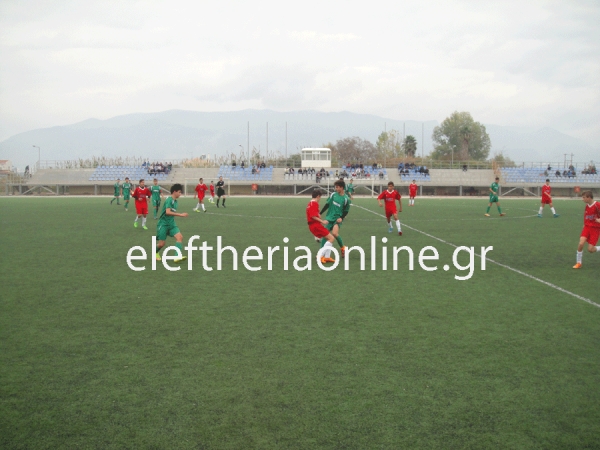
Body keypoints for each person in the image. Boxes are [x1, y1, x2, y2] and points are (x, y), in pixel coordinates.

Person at [155, 183, 189, 263]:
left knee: (180, 237)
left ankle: (176, 257)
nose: (180, 194)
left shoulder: (176, 202)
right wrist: (180, 214)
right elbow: (167, 212)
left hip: (172, 224)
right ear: (174, 191)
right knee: (161, 244)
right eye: (180, 192)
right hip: (163, 224)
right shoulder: (169, 200)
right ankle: (155, 252)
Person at [319, 179, 350, 259]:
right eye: (335, 187)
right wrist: (320, 213)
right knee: (325, 235)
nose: (336, 189)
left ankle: (343, 248)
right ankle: (321, 253)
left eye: (337, 187)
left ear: (342, 187)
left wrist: (341, 218)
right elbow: (327, 204)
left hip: (337, 219)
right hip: (329, 218)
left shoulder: (346, 199)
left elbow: (346, 211)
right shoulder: (333, 195)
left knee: (335, 234)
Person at [306, 189, 336, 264]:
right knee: (331, 238)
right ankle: (320, 256)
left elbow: (314, 214)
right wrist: (322, 221)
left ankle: (327, 257)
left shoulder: (310, 203)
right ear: (318, 196)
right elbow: (313, 216)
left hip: (314, 225)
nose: (320, 199)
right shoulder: (314, 203)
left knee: (328, 238)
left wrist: (319, 216)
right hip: (315, 225)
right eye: (320, 197)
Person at [573, 190, 600, 269]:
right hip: (587, 227)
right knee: (581, 243)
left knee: (590, 250)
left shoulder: (597, 205)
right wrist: (584, 225)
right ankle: (579, 263)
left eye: (584, 197)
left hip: (595, 229)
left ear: (589, 197)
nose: (583, 199)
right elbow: (586, 216)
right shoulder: (587, 206)